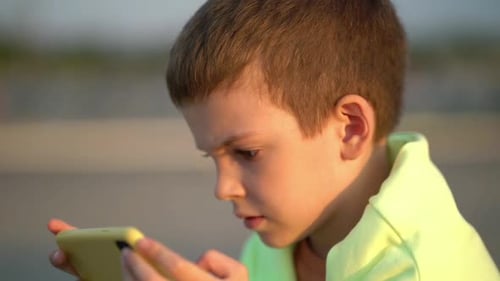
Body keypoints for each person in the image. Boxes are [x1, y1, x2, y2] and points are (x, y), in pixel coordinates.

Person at [48, 0, 499, 280]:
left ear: (350, 128)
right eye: (214, 157)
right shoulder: (278, 244)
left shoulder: (426, 270)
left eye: (246, 153)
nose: (222, 188)